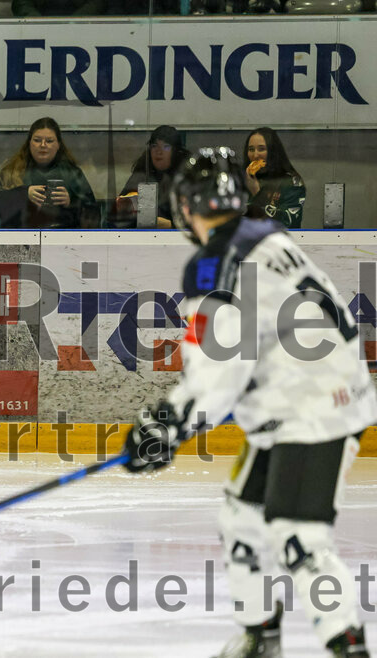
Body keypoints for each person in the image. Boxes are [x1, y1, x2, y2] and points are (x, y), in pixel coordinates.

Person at [123, 147, 372, 657]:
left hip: (312, 411)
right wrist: (173, 422)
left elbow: (220, 376)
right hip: (306, 400)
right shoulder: (268, 237)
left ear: (187, 206)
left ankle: (347, 644)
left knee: (297, 537)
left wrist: (167, 424)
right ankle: (260, 635)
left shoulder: (215, 266)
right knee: (243, 518)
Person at [0, 117, 99, 229]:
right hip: (19, 240)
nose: (43, 145)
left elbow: (94, 214)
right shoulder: (12, 171)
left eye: (49, 141)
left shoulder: (72, 173)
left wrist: (71, 202)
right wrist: (22, 194)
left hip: (62, 242)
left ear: (58, 145)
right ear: (29, 143)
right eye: (37, 140)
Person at [110, 125, 190, 228]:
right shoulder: (142, 173)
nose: (159, 151)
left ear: (176, 151)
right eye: (154, 146)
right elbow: (120, 216)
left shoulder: (187, 174)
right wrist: (126, 206)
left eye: (166, 146)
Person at [243, 127, 306, 229]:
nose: (255, 155)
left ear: (273, 151)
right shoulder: (239, 179)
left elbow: (290, 223)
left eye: (261, 149)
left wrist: (257, 193)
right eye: (251, 149)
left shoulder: (291, 182)